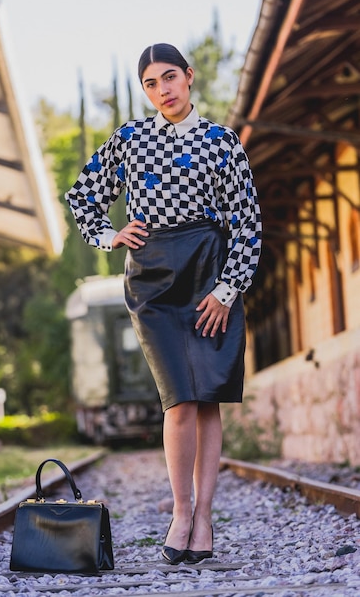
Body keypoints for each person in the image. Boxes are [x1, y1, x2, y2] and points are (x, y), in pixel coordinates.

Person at [65, 43, 262, 565]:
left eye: (169, 77)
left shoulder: (222, 141)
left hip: (208, 270)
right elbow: (82, 193)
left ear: (190, 77)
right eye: (151, 83)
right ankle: (180, 510)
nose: (162, 90)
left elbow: (247, 219)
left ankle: (204, 517)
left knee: (208, 397)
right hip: (151, 278)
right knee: (178, 400)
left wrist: (226, 289)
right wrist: (108, 236)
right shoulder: (129, 139)